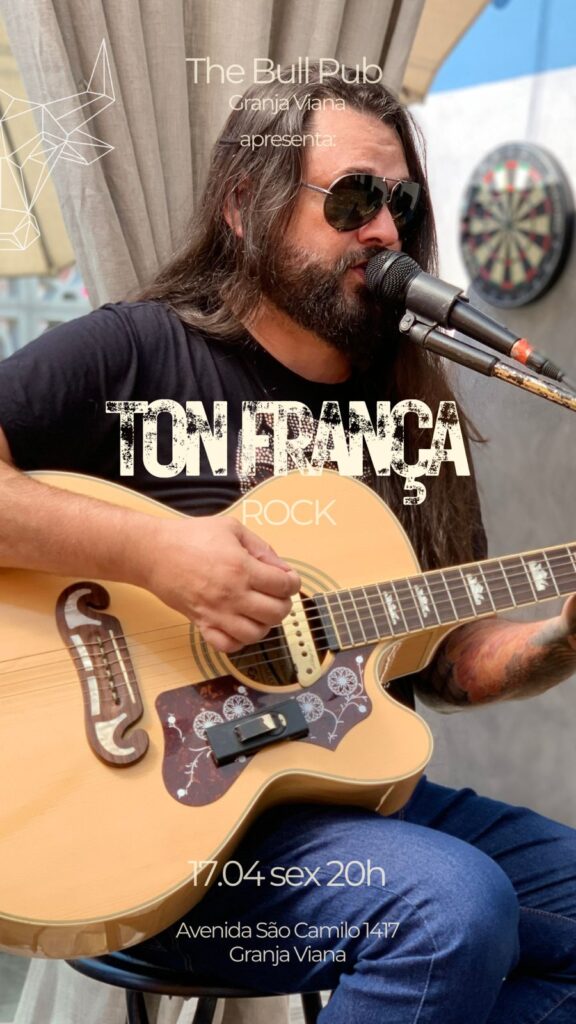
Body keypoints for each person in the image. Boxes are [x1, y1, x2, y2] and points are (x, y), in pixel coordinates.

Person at [0, 66, 575, 1024]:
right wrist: (155, 556)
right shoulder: (135, 352)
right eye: (352, 199)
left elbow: (444, 656)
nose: (384, 230)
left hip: (351, 803)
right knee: (451, 909)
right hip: (156, 834)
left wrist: (559, 640)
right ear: (244, 206)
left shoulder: (410, 411)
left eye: (400, 204)